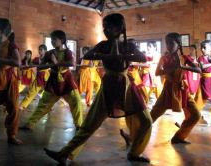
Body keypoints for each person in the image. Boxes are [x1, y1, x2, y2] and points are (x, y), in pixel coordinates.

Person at [44, 13, 152, 165]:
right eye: (104, 27)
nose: (106, 30)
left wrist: (123, 55)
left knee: (146, 121)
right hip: (108, 86)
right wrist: (107, 56)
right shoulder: (103, 44)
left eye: (110, 27)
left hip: (127, 87)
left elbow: (142, 58)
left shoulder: (128, 45)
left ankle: (135, 152)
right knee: (90, 124)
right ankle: (65, 153)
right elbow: (88, 54)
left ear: (120, 28)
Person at [19, 30, 83, 130]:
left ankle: (79, 125)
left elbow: (71, 64)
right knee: (43, 104)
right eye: (51, 39)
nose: (52, 41)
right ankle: (29, 124)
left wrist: (56, 63)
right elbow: (41, 66)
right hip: (53, 81)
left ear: (61, 40)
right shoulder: (50, 53)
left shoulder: (67, 52)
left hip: (67, 80)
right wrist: (41, 65)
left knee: (76, 101)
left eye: (54, 39)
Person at [149, 33, 201, 144]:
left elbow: (198, 70)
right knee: (153, 115)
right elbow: (157, 72)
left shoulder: (184, 58)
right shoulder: (164, 57)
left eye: (171, 43)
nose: (168, 45)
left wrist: (182, 66)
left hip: (182, 89)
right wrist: (168, 70)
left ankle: (179, 137)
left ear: (178, 44)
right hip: (168, 89)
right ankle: (133, 135)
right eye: (166, 43)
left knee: (196, 115)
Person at [19, 44, 50, 111]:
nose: (39, 51)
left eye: (41, 50)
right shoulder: (36, 59)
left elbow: (52, 65)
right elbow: (30, 65)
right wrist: (24, 65)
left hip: (46, 77)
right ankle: (22, 105)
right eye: (39, 50)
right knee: (32, 92)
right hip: (39, 77)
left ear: (45, 51)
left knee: (49, 92)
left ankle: (48, 106)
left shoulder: (48, 59)